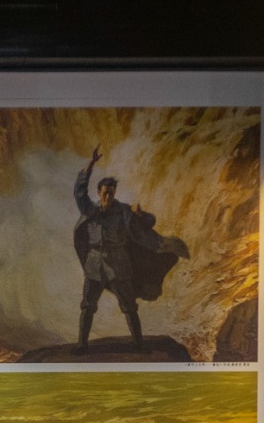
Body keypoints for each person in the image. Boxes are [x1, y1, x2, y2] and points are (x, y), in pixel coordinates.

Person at [71, 146, 190, 348]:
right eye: (105, 193)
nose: (108, 197)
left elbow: (150, 221)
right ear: (99, 193)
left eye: (111, 193)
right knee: (87, 306)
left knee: (129, 307)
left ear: (114, 193)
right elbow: (79, 192)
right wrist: (91, 164)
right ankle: (81, 346)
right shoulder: (91, 210)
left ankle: (138, 344)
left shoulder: (124, 211)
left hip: (119, 265)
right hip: (94, 265)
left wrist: (140, 214)